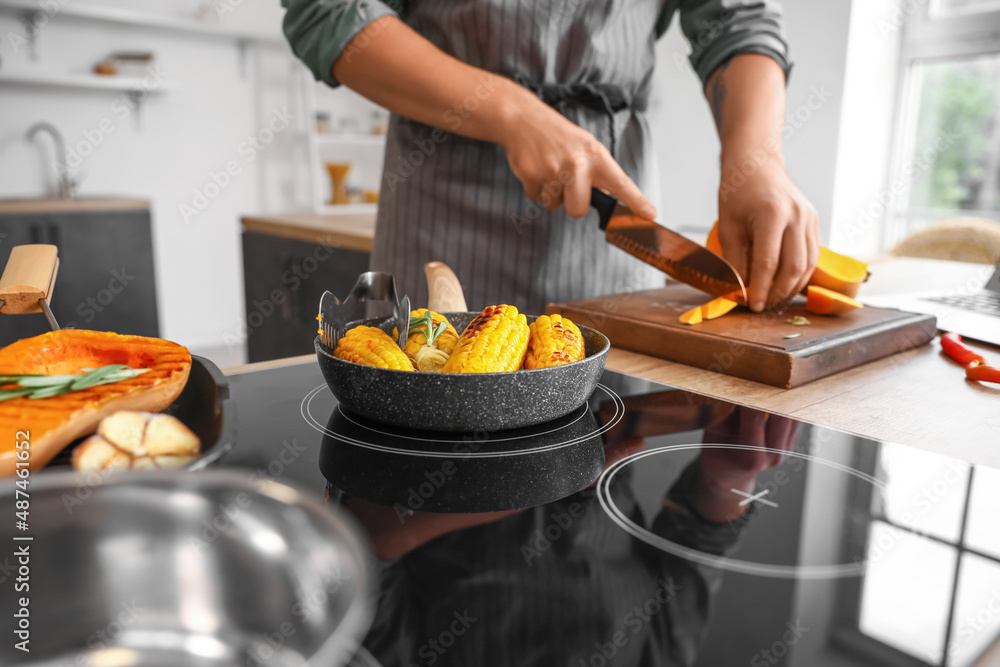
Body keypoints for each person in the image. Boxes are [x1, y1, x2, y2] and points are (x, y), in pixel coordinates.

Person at [283, 0, 820, 314]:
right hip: (441, 201)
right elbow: (328, 11)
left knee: (601, 437)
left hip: (609, 212)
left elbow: (738, 20)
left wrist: (759, 160)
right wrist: (509, 111)